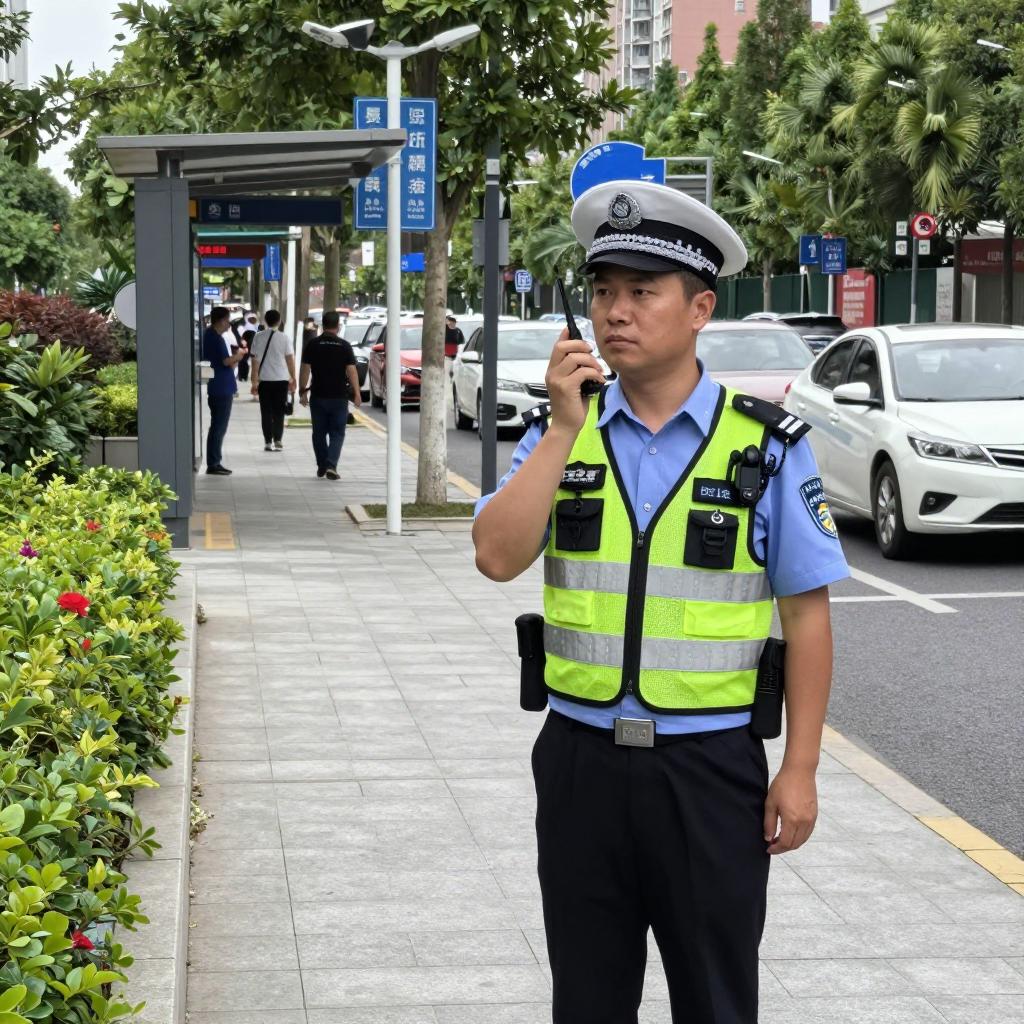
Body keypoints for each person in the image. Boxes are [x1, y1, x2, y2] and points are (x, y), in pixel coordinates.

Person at [472, 180, 850, 1024]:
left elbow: (808, 615)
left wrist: (801, 769)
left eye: (643, 292)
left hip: (709, 771)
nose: (617, 312)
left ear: (700, 307)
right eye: (604, 291)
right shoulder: (563, 431)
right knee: (587, 998)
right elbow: (496, 557)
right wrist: (564, 428)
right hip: (579, 760)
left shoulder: (764, 448)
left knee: (716, 1000)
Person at [298, 310, 361, 480]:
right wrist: (357, 393)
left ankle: (322, 464)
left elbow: (305, 369)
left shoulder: (313, 344)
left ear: (322, 326)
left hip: (318, 396)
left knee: (318, 433)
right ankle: (331, 465)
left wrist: (302, 390)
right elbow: (352, 371)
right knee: (337, 432)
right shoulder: (344, 346)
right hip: (339, 397)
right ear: (338, 327)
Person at [202, 306, 245, 475]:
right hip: (221, 388)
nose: (229, 324)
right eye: (228, 320)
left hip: (220, 385)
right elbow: (226, 361)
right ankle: (213, 462)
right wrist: (239, 355)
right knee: (219, 427)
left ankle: (215, 460)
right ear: (221, 320)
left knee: (218, 426)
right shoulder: (215, 338)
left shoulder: (212, 335)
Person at [249, 309, 296, 452]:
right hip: (281, 380)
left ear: (265, 320)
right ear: (279, 321)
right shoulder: (284, 338)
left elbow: (255, 362)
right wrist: (293, 378)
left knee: (266, 412)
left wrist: (254, 382)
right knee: (279, 411)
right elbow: (290, 360)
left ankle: (267, 441)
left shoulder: (258, 337)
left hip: (264, 381)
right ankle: (278, 440)